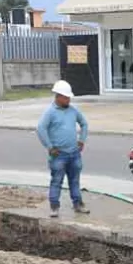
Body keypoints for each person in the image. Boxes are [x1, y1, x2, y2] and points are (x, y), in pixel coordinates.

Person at [36, 80, 90, 218]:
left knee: (75, 180)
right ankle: (54, 206)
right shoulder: (50, 112)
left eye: (69, 97)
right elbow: (40, 129)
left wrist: (82, 140)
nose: (68, 100)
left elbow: (84, 123)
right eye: (65, 97)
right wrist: (49, 146)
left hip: (74, 153)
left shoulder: (73, 110)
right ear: (58, 96)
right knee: (56, 181)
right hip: (58, 154)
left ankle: (77, 204)